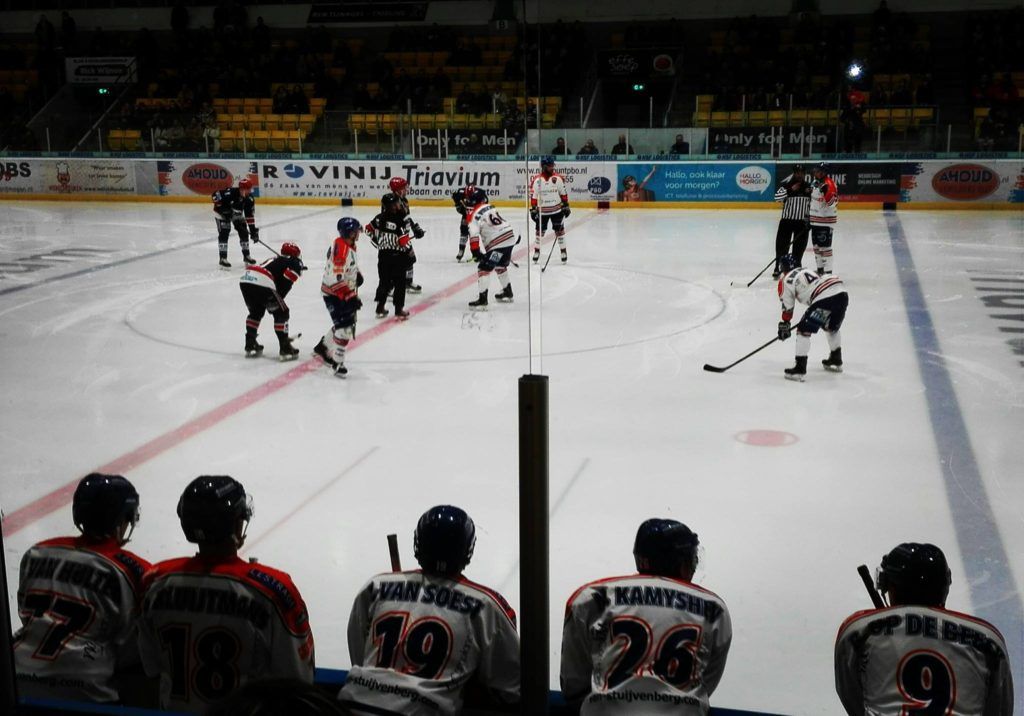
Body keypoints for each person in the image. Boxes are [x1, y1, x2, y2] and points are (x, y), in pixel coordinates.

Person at [138, 476, 315, 712]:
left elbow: (149, 668)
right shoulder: (272, 590)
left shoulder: (155, 582)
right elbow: (298, 679)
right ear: (236, 524)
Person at [339, 505, 520, 715]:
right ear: (467, 550)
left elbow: (359, 652)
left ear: (418, 543)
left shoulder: (376, 586)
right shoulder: (486, 605)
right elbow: (512, 687)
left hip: (353, 706)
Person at [561, 518, 732, 714]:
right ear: (680, 562)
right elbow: (706, 680)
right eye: (691, 559)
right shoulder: (713, 608)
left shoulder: (592, 597)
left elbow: (574, 685)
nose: (693, 567)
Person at [13, 474, 150, 704]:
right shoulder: (134, 571)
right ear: (123, 519)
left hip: (16, 677)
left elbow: (25, 613)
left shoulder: (37, 552)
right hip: (85, 692)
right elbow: (134, 647)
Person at [835, 543, 1014, 715]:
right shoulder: (988, 641)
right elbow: (998, 709)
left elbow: (854, 699)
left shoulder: (858, 631)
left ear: (891, 587)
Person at [775, 253, 848, 381]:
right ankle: (836, 358)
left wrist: (785, 323)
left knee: (803, 330)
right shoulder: (807, 270)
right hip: (841, 293)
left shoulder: (786, 279)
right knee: (830, 326)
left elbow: (788, 307)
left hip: (824, 297)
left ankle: (799, 368)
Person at [314, 217, 363, 378]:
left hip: (339, 291)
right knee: (345, 328)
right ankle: (337, 362)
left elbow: (347, 267)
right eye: (356, 231)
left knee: (344, 323)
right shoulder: (341, 249)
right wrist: (350, 296)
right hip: (334, 293)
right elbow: (336, 278)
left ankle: (323, 347)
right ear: (349, 233)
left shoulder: (346, 244)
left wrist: (357, 274)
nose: (358, 234)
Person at [238, 242, 304, 361]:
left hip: (246, 278)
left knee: (256, 311)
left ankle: (250, 342)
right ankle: (285, 346)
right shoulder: (295, 262)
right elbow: (286, 281)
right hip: (262, 280)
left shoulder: (275, 259)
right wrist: (278, 299)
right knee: (282, 312)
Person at [464, 188, 516, 309]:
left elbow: (473, 234)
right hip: (509, 237)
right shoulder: (490, 207)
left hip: (498, 243)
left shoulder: (473, 215)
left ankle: (482, 300)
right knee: (500, 265)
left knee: (484, 268)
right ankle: (508, 293)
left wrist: (476, 252)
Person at [367, 193, 415, 320]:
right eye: (397, 203)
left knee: (384, 282)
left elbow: (367, 229)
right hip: (397, 256)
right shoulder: (399, 220)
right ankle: (399, 309)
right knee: (400, 283)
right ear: (393, 206)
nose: (400, 205)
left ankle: (380, 307)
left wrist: (377, 241)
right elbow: (403, 241)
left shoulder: (379, 218)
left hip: (383, 256)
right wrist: (409, 250)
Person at [385, 176, 425, 293]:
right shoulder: (390, 202)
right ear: (398, 189)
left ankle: (407, 282)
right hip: (395, 238)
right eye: (404, 187)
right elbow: (388, 221)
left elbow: (407, 216)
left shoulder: (404, 201)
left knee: (410, 259)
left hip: (405, 237)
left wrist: (414, 227)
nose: (406, 189)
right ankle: (389, 287)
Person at [772, 164, 811, 278]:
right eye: (797, 172)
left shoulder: (808, 187)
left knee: (799, 248)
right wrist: (790, 190)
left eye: (802, 172)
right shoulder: (786, 185)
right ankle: (778, 267)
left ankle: (796, 267)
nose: (800, 174)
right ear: (794, 173)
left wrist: (810, 220)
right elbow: (777, 198)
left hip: (802, 223)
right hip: (786, 222)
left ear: (804, 173)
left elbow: (814, 204)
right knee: (781, 246)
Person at [530, 156, 571, 264]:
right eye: (550, 166)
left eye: (553, 165)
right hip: (542, 211)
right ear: (544, 167)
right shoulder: (537, 180)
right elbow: (534, 196)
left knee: (560, 231)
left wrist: (566, 206)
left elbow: (563, 193)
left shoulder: (558, 178)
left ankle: (563, 251)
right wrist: (533, 209)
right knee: (539, 232)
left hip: (557, 210)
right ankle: (537, 251)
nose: (553, 167)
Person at [213, 177, 258, 269]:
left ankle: (247, 256)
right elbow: (215, 196)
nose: (250, 191)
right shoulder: (230, 193)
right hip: (221, 214)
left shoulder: (249, 199)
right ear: (242, 189)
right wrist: (223, 209)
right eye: (248, 189)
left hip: (236, 214)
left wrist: (253, 231)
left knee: (244, 232)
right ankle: (223, 258)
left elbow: (249, 216)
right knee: (225, 231)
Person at [809, 162, 838, 275]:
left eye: (818, 170)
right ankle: (820, 269)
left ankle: (828, 272)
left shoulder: (829, 184)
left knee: (825, 247)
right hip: (815, 220)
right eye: (815, 170)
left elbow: (832, 203)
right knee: (816, 246)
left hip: (825, 221)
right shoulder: (815, 183)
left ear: (823, 172)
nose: (815, 172)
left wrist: (826, 192)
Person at [452, 184, 487, 262]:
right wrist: (458, 205)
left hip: (476, 215)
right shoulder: (460, 192)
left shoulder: (480, 194)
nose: (468, 198)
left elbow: (485, 203)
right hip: (466, 214)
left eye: (470, 196)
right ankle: (461, 250)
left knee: (475, 233)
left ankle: (476, 253)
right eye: (466, 196)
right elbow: (454, 195)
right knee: (463, 231)